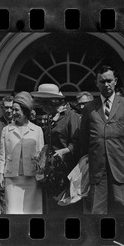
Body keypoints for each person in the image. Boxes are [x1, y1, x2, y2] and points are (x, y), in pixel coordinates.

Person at [79, 65, 124, 214]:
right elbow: (83, 140)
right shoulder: (89, 108)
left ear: (115, 81)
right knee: (97, 214)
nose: (106, 84)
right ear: (96, 83)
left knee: (122, 212)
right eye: (102, 81)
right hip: (98, 172)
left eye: (109, 80)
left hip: (121, 170)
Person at [31, 83, 81, 215]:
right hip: (53, 172)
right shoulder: (52, 118)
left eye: (44, 104)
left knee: (67, 211)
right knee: (53, 211)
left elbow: (78, 142)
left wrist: (65, 150)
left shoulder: (71, 117)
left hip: (67, 172)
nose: (43, 108)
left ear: (51, 103)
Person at [0, 92, 44, 214]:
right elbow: (3, 154)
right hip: (12, 179)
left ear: (25, 111)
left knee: (32, 211)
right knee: (13, 211)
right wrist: (1, 174)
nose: (13, 113)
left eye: (16, 110)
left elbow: (41, 155)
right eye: (12, 109)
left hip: (32, 178)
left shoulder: (37, 130)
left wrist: (41, 175)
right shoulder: (6, 130)